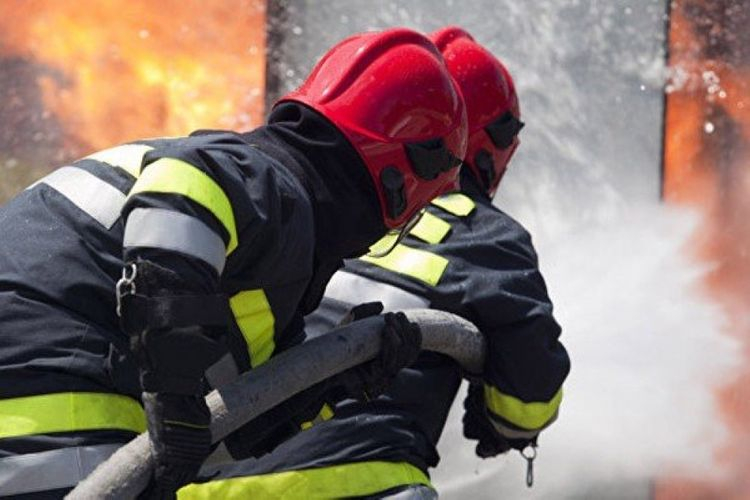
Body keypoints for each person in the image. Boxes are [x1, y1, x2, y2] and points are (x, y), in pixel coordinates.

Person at [0, 28, 468, 499]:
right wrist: (174, 394)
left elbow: (221, 431)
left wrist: (335, 383)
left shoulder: (258, 245)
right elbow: (180, 197)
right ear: (404, 180)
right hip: (49, 401)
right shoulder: (267, 181)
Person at [179, 26, 570, 499]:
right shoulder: (485, 236)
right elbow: (526, 403)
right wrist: (498, 418)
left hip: (203, 485)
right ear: (488, 144)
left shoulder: (298, 206)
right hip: (357, 485)